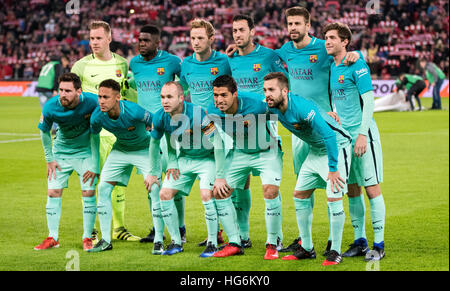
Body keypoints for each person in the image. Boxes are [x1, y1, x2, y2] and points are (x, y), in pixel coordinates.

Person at [270, 6, 362, 255]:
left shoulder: (323, 47)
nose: (293, 28)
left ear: (308, 25)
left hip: (325, 123)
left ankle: (335, 241)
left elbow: (343, 51)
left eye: (298, 23)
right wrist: (236, 53)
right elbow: (261, 57)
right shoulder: (285, 51)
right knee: (304, 185)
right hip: (300, 129)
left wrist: (356, 54)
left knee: (336, 184)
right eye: (289, 23)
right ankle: (304, 240)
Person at [263, 72, 352, 266]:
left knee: (334, 197)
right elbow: (251, 101)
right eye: (265, 90)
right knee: (300, 195)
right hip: (315, 150)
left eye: (271, 90)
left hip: (337, 146)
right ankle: (307, 248)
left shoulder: (302, 108)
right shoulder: (272, 107)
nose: (267, 94)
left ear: (285, 91)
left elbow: (329, 135)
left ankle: (335, 251)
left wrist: (333, 168)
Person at [71, 20, 139, 242]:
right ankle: (90, 230)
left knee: (117, 183)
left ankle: (119, 228)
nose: (94, 42)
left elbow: (126, 96)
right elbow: (73, 100)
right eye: (91, 38)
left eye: (99, 38)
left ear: (109, 39)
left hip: (117, 135)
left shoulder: (122, 64)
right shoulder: (80, 66)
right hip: (91, 135)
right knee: (90, 181)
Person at [324, 22, 386, 261]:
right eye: (326, 37)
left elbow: (369, 101)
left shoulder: (356, 63)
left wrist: (362, 133)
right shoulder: (332, 66)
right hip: (344, 137)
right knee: (351, 189)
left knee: (371, 188)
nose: (327, 41)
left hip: (364, 135)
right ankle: (360, 240)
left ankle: (378, 245)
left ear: (344, 41)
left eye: (332, 38)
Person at [226, 14, 288, 248]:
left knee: (269, 185)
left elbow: (286, 83)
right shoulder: (228, 60)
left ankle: (276, 237)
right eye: (234, 30)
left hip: (264, 122)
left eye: (242, 30)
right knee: (238, 184)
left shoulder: (269, 56)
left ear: (253, 31)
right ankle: (242, 235)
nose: (237, 34)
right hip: (235, 125)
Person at [207, 75, 283, 260]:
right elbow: (216, 142)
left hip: (267, 151)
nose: (219, 100)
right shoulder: (211, 111)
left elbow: (286, 108)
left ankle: (273, 243)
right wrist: (219, 176)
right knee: (219, 191)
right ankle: (234, 242)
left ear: (235, 94)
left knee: (270, 190)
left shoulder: (257, 103)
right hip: (240, 153)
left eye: (224, 95)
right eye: (216, 95)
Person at [87, 79, 162, 253]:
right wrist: (94, 165)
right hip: (120, 150)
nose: (101, 101)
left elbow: (156, 125)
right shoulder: (97, 116)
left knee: (155, 190)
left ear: (118, 97)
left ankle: (158, 240)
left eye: (106, 97)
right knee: (104, 189)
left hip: (145, 149)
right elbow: (93, 137)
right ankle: (106, 240)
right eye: (99, 97)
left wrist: (157, 154)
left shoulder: (134, 111)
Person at [146, 81, 219, 257]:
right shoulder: (160, 116)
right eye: (162, 97)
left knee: (206, 195)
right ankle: (176, 242)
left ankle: (212, 243)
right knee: (164, 194)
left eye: (169, 97)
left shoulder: (198, 113)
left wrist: (221, 173)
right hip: (184, 159)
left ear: (181, 98)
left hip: (207, 159)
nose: (165, 101)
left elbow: (217, 141)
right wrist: (154, 172)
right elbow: (154, 144)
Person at [129, 24, 186, 244]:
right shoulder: (134, 63)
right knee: (150, 181)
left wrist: (177, 105)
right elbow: (135, 84)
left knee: (174, 180)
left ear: (157, 42)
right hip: (146, 132)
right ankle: (157, 227)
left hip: (169, 129)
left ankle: (180, 227)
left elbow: (186, 84)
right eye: (139, 40)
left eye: (146, 40)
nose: (141, 43)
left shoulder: (171, 61)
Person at [34, 73, 100, 252]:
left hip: (85, 152)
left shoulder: (93, 102)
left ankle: (87, 237)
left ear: (79, 91)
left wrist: (95, 163)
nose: (63, 94)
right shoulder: (50, 106)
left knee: (88, 192)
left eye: (68, 91)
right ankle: (52, 237)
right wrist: (49, 159)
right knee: (53, 192)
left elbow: (96, 134)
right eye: (60, 90)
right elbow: (44, 132)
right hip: (61, 152)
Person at [180, 18, 229, 246]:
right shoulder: (186, 65)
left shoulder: (224, 61)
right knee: (210, 181)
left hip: (225, 127)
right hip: (199, 129)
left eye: (200, 38)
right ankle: (218, 233)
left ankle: (239, 235)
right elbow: (183, 91)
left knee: (230, 181)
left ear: (211, 39)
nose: (196, 42)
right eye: (193, 38)